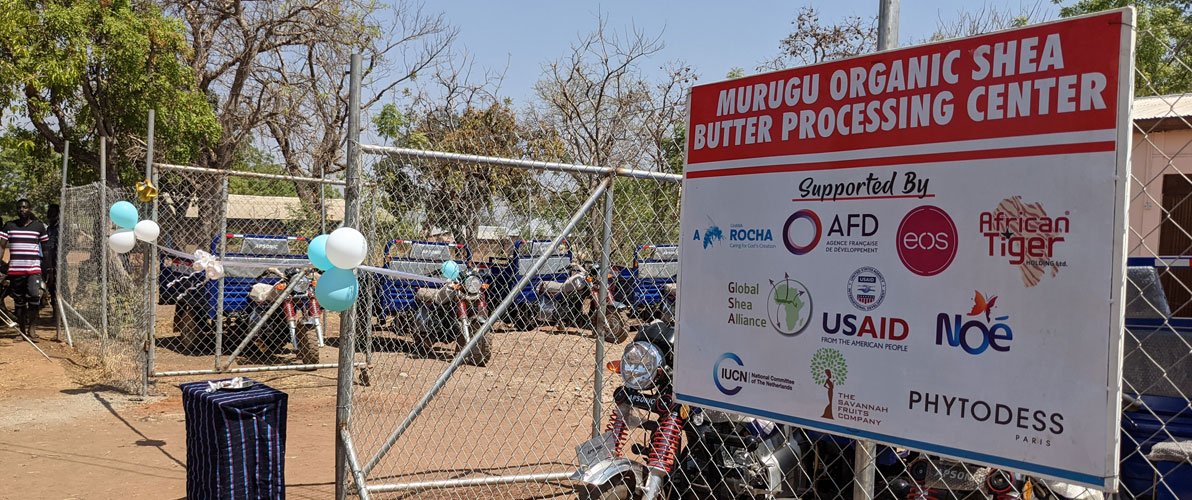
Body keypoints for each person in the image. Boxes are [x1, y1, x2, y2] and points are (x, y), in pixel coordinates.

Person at [0, 199, 49, 336]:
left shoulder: (39, 227)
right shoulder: (9, 226)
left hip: (33, 269)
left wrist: (48, 267)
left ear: (30, 209)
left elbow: (45, 249)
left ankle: (32, 328)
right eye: (19, 208)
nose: (22, 210)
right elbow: (2, 246)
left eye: (25, 207)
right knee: (19, 301)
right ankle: (22, 328)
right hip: (16, 270)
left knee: (34, 295)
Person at [43, 204, 59, 316]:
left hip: (58, 262)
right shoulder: (49, 229)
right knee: (49, 284)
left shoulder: (61, 228)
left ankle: (58, 311)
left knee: (58, 286)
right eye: (49, 214)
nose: (50, 216)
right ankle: (54, 309)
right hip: (48, 262)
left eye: (53, 214)